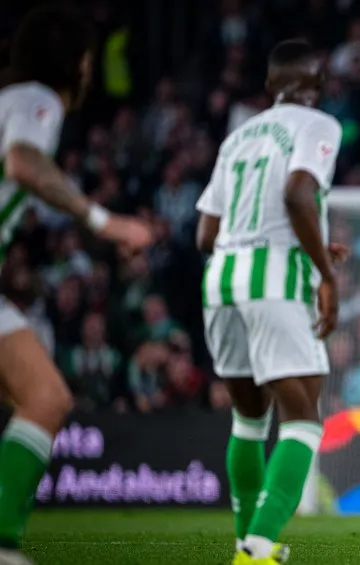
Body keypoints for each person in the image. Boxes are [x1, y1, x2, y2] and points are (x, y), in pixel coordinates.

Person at [0, 7, 153, 565]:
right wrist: (103, 221)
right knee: (44, 396)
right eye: (87, 59)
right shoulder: (36, 99)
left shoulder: (9, 100)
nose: (90, 71)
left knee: (44, 397)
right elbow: (22, 163)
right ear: (74, 62)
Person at [194, 39, 346, 565]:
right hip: (274, 283)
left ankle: (247, 542)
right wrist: (325, 273)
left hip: (221, 280)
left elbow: (205, 234)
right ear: (318, 84)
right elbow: (298, 193)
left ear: (269, 84)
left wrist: (309, 243)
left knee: (249, 418)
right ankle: (257, 549)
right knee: (302, 417)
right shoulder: (319, 124)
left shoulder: (238, 136)